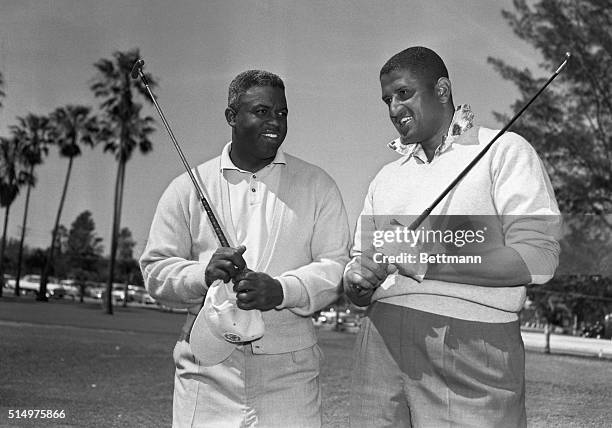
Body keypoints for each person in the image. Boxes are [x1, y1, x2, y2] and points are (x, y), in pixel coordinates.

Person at [344, 46, 561, 428]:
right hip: (379, 339)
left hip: (472, 342)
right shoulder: (385, 177)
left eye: (404, 93)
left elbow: (539, 258)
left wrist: (427, 259)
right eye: (387, 100)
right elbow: (361, 261)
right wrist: (356, 282)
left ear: (442, 90)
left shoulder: (504, 151)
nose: (394, 109)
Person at [141, 70, 350, 427]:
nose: (275, 123)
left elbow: (335, 267)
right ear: (232, 117)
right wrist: (202, 273)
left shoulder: (319, 185)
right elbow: (155, 271)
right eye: (262, 111)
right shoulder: (186, 187)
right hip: (206, 369)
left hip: (290, 373)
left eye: (282, 113)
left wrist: (281, 290)